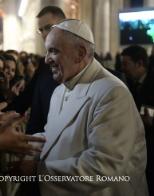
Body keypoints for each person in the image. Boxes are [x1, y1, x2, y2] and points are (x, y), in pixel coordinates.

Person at [9, 19, 148, 196]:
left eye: (53, 51)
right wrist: (19, 142)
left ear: (80, 53)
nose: (46, 59)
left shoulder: (113, 93)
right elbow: (55, 136)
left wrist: (37, 171)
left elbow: (103, 166)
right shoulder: (60, 89)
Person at [120, 45, 154, 195]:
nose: (122, 68)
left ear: (139, 64)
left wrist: (152, 124)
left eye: (125, 64)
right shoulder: (125, 83)